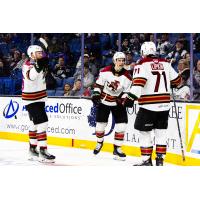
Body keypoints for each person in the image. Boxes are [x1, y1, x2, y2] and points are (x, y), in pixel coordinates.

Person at [123, 41, 181, 166]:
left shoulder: (141, 63)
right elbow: (177, 81)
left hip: (148, 105)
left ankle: (146, 160)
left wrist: (130, 99)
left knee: (145, 133)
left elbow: (138, 83)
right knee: (161, 133)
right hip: (164, 105)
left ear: (143, 52)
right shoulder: (165, 63)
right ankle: (160, 160)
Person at [92, 52, 132, 160]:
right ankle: (99, 142)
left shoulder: (128, 76)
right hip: (104, 101)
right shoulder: (105, 71)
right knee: (100, 126)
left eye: (123, 60)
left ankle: (117, 148)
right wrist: (96, 94)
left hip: (117, 103)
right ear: (114, 61)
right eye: (119, 60)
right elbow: (98, 85)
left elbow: (127, 92)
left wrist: (123, 99)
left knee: (122, 126)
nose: (121, 62)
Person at [22, 38, 55, 163]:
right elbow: (32, 76)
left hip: (39, 97)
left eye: (41, 53)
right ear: (31, 55)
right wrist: (40, 63)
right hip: (31, 98)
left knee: (34, 124)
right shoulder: (27, 65)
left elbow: (44, 64)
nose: (41, 54)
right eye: (38, 53)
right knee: (43, 123)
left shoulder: (40, 62)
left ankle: (32, 149)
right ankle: (43, 151)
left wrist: (43, 59)